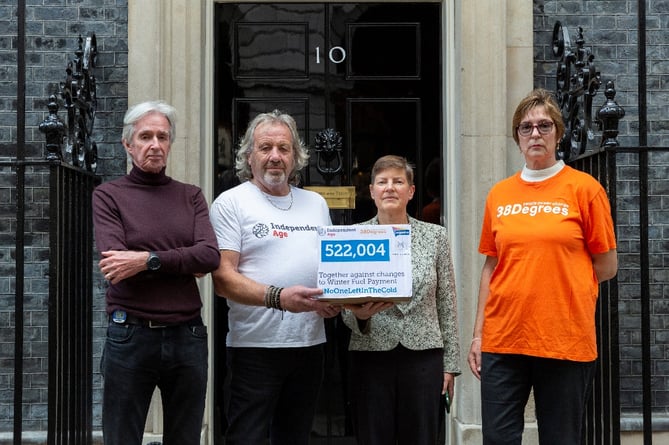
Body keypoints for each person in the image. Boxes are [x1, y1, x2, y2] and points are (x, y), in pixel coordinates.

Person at [467, 88, 618, 445]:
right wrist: (478, 335)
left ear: (558, 133)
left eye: (544, 126)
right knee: (499, 439)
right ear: (517, 137)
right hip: (503, 339)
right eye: (526, 127)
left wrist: (559, 280)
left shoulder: (585, 189)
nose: (535, 134)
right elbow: (491, 266)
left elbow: (607, 265)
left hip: (563, 340)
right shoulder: (500, 195)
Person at [92, 100, 221, 445]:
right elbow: (116, 267)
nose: (155, 145)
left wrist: (146, 259)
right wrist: (182, 260)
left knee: (185, 437)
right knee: (122, 437)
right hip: (130, 335)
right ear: (128, 144)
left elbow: (209, 256)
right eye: (146, 136)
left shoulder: (190, 196)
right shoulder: (108, 196)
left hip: (187, 335)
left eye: (162, 137)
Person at [209, 110, 341, 445]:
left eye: (284, 148)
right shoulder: (231, 203)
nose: (275, 156)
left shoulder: (316, 204)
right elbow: (223, 278)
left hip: (310, 347)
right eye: (265, 147)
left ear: (296, 156)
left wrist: (333, 302)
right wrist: (280, 298)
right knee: (247, 439)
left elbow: (331, 272)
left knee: (295, 438)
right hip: (254, 349)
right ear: (248, 156)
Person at [341, 155, 461, 445]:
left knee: (422, 437)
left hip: (424, 357)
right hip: (371, 355)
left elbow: (447, 301)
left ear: (411, 191)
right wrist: (361, 316)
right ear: (371, 191)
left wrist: (450, 365)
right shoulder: (354, 237)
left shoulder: (436, 237)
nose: (390, 188)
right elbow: (342, 302)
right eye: (382, 182)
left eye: (398, 181)